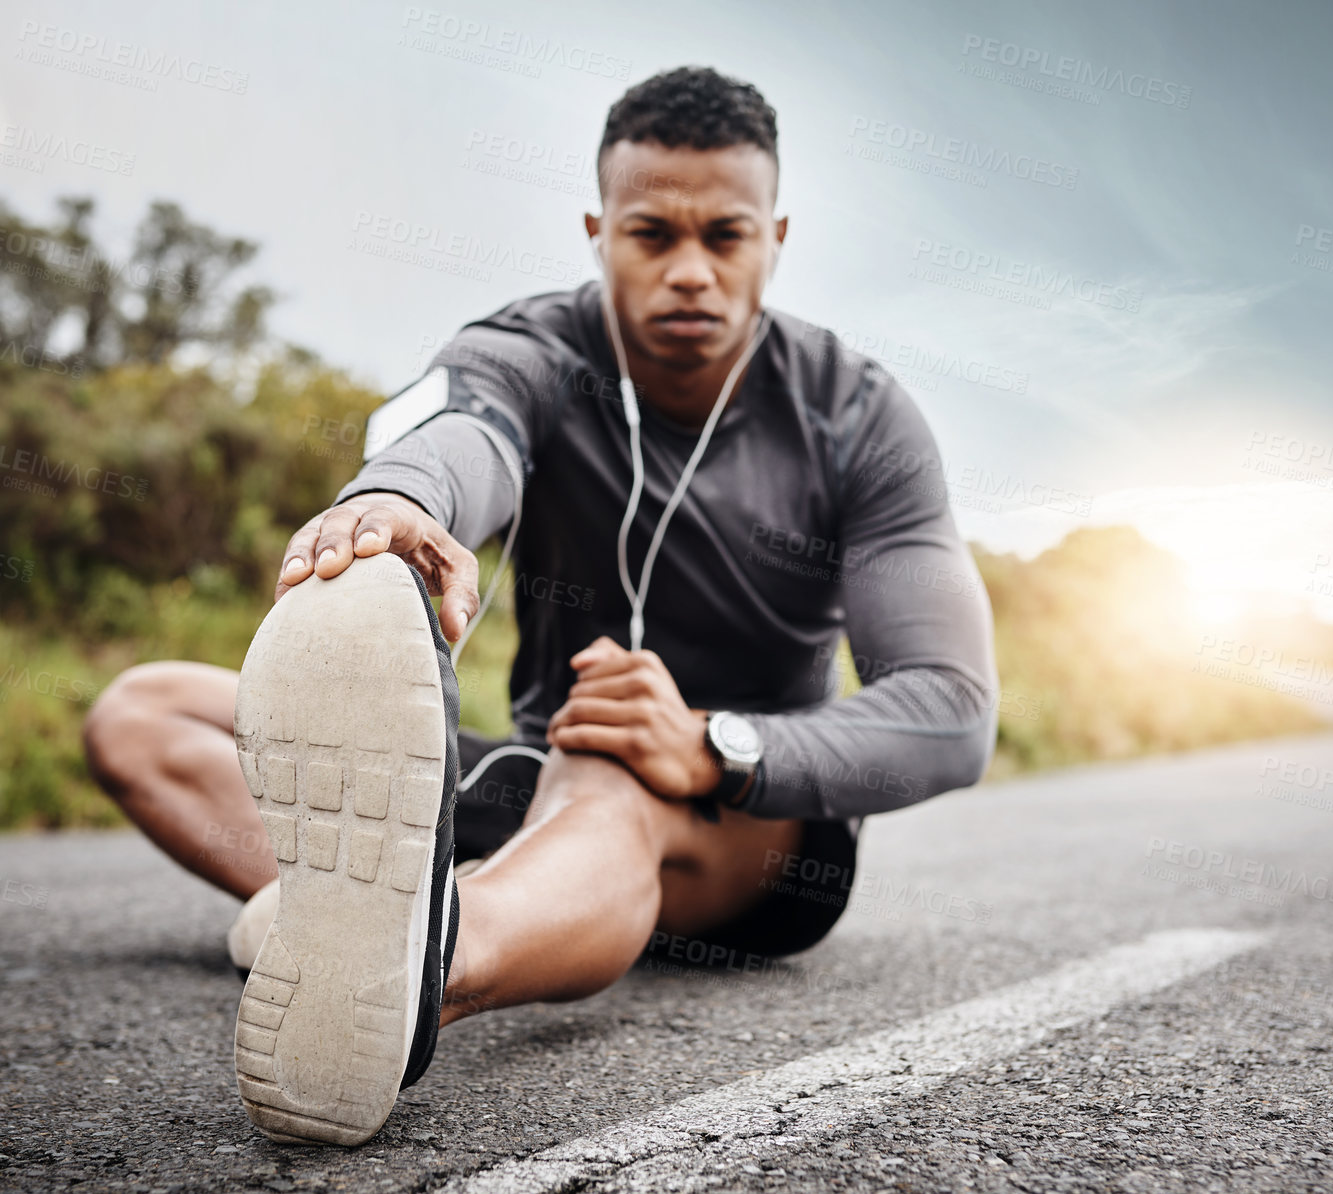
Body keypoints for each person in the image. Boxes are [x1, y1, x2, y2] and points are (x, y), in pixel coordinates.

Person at [81, 65, 997, 1146]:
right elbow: (464, 431)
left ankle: (427, 971)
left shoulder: (861, 416)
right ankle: (396, 914)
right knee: (143, 712)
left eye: (726, 236)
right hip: (541, 770)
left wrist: (714, 746)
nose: (692, 271)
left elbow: (950, 712)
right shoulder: (533, 348)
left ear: (777, 235)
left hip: (757, 827)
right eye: (653, 234)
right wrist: (395, 501)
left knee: (615, 760)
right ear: (598, 230)